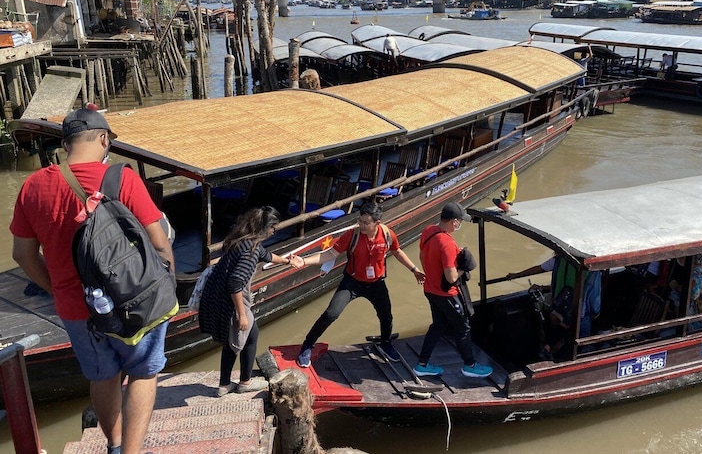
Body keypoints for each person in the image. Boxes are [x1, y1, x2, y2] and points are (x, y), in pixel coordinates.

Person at [10, 106, 174, 454]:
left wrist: (57, 288)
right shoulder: (121, 178)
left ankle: (114, 446)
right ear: (103, 139)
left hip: (75, 308)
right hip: (132, 299)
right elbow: (159, 241)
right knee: (143, 373)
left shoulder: (33, 186)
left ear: (66, 143)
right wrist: (167, 280)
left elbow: (22, 255)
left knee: (102, 375)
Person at [296, 201, 423, 368]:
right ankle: (307, 345)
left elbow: (397, 251)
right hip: (352, 282)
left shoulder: (387, 234)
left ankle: (385, 343)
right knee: (331, 313)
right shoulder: (352, 235)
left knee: (386, 316)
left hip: (376, 283)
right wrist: (304, 261)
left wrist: (414, 270)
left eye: (365, 223)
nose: (361, 225)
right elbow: (329, 254)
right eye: (360, 221)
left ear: (377, 223)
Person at [198, 207, 303, 396]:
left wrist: (289, 261)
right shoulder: (250, 252)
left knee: (232, 341)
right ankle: (245, 382)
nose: (273, 232)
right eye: (274, 228)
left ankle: (224, 385)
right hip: (230, 299)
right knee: (251, 335)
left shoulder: (243, 240)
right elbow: (235, 283)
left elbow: (268, 256)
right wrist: (241, 315)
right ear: (266, 227)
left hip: (217, 294)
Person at [414, 202, 493, 378]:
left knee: (438, 326)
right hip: (447, 294)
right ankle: (470, 365)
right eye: (460, 222)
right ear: (455, 222)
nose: (460, 225)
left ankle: (422, 364)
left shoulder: (428, 231)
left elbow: (421, 256)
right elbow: (451, 278)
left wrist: (433, 274)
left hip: (430, 290)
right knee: (463, 327)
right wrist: (464, 267)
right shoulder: (447, 242)